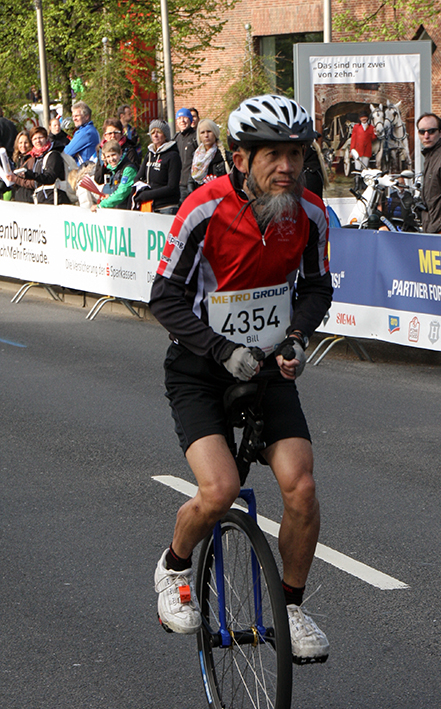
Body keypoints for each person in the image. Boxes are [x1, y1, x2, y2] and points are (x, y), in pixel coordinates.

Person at [148, 93, 332, 662]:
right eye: (272, 155)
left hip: (270, 364)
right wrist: (222, 349)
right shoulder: (203, 210)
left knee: (300, 487)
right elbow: (165, 296)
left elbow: (317, 287)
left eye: (295, 155)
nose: (286, 167)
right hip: (201, 369)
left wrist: (297, 337)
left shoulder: (310, 213)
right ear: (240, 158)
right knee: (220, 489)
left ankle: (292, 607)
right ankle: (172, 568)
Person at [13, 125, 70, 204]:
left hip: (55, 198)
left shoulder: (53, 154)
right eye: (35, 139)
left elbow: (50, 177)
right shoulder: (37, 157)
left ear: (46, 138)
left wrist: (30, 174)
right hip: (41, 199)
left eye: (40, 138)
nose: (38, 141)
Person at [133, 119, 181, 214]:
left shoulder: (173, 156)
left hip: (166, 206)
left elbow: (172, 187)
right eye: (152, 132)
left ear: (165, 135)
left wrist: (148, 194)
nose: (155, 135)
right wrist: (142, 191)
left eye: (158, 132)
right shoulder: (149, 154)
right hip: (149, 205)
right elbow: (138, 178)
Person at [89, 140, 137, 211]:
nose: (111, 159)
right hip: (121, 211)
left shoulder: (128, 169)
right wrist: (110, 196)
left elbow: (122, 193)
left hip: (129, 211)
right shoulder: (114, 169)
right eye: (108, 156)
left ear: (120, 153)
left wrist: (101, 205)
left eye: (113, 155)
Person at [188, 118, 231, 193]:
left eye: (209, 131)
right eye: (202, 132)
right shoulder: (195, 157)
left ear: (215, 133)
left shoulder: (226, 157)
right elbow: (191, 182)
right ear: (199, 136)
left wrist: (216, 185)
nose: (206, 135)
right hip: (200, 198)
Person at [175, 107, 197, 203]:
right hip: (177, 185)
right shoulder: (175, 139)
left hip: (191, 185)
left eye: (185, 118)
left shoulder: (196, 137)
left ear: (190, 120)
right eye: (179, 118)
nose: (182, 121)